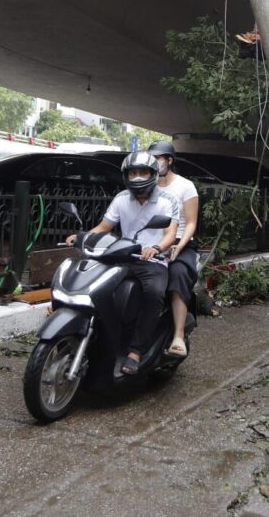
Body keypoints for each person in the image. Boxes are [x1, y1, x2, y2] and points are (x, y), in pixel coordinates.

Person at [66, 151, 179, 375]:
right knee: (97, 288)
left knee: (154, 293)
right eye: (133, 172)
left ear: (153, 174)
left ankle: (136, 351)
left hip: (152, 260)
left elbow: (170, 234)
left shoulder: (168, 201)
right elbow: (103, 227)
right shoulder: (121, 199)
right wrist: (82, 237)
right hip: (122, 255)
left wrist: (156, 248)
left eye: (142, 172)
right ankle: (98, 337)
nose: (137, 177)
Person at [148, 140, 199, 358]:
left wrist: (179, 245)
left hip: (180, 241)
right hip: (150, 242)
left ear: (169, 161)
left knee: (178, 273)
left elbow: (190, 223)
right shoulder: (146, 185)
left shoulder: (185, 186)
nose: (155, 163)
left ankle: (178, 335)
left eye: (158, 159)